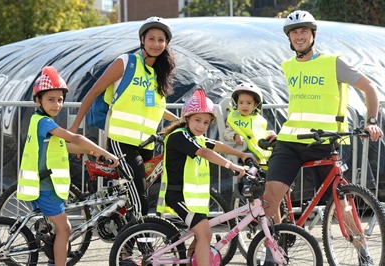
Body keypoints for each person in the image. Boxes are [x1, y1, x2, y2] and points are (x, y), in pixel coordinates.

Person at [262, 10, 384, 265]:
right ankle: (275, 248)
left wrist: (371, 122)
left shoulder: (333, 62)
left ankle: (363, 252)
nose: (299, 36)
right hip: (290, 142)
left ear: (313, 35)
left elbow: (369, 89)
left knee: (342, 203)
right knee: (270, 198)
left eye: (303, 31)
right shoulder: (288, 66)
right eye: (294, 32)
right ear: (289, 38)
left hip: (325, 142)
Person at [69, 16, 178, 217]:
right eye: (151, 38)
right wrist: (74, 128)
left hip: (147, 144)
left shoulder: (158, 74)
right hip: (122, 142)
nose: (156, 44)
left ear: (167, 43)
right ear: (142, 40)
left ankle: (125, 246)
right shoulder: (126, 62)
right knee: (141, 199)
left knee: (132, 196)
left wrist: (181, 121)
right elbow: (92, 92)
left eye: (161, 40)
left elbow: (155, 107)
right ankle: (144, 245)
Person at [17, 66, 120, 266]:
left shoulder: (41, 121)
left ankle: (53, 260)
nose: (57, 104)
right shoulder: (44, 122)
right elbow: (74, 137)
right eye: (50, 99)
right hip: (45, 187)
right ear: (38, 100)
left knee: (58, 228)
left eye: (60, 100)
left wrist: (90, 152)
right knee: (65, 229)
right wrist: (104, 152)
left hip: (46, 184)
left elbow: (63, 145)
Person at [156, 88, 256, 266]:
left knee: (199, 236)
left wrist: (241, 155)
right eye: (197, 120)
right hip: (178, 195)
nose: (201, 126)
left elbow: (215, 145)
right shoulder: (179, 136)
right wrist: (231, 165)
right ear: (186, 118)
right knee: (205, 234)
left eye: (206, 122)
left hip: (193, 198)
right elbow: (203, 152)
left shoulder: (197, 137)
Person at [223, 83, 277, 165]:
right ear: (236, 103)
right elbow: (226, 132)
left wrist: (271, 135)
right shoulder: (233, 118)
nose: (244, 106)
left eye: (249, 103)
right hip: (244, 150)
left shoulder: (258, 119)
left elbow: (261, 133)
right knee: (252, 159)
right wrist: (235, 136)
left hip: (259, 148)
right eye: (241, 103)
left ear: (255, 105)